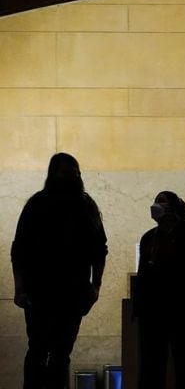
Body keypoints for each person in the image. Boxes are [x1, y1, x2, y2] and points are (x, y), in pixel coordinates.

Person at [11, 152, 108, 389]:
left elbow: (19, 251)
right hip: (58, 292)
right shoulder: (84, 206)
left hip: (49, 291)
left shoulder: (38, 204)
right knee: (52, 352)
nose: (73, 177)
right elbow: (99, 250)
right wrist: (95, 286)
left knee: (45, 351)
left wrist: (95, 287)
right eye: (69, 173)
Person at [133, 191, 185, 389]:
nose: (156, 206)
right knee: (151, 365)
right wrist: (139, 308)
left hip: (182, 310)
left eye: (162, 202)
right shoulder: (149, 238)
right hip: (153, 311)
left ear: (174, 207)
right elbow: (142, 275)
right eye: (155, 201)